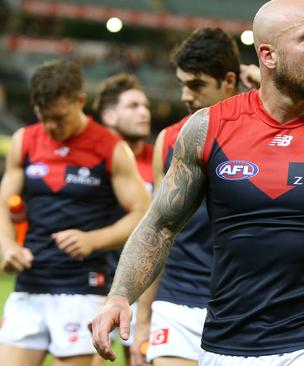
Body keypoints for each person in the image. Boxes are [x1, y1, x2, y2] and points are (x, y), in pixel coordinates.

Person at [91, 1, 304, 366]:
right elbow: (160, 225)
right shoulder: (207, 128)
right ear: (268, 55)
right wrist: (120, 296)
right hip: (223, 339)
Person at [0, 59, 150, 366]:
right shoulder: (25, 140)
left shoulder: (111, 148)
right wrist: (8, 246)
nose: (52, 126)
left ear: (79, 101)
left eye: (59, 117)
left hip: (83, 287)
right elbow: (3, 200)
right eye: (45, 117)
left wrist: (94, 239)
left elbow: (143, 214)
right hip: (30, 283)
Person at [132, 27, 241, 366]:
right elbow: (157, 232)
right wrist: (144, 320)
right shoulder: (168, 140)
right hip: (176, 302)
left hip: (242, 307)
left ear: (228, 80)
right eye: (182, 84)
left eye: (196, 85)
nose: (185, 95)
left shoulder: (267, 138)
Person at [93, 72, 154, 366]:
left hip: (145, 281)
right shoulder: (90, 161)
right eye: (132, 106)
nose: (144, 112)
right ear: (109, 115)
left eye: (145, 105)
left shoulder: (162, 160)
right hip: (93, 281)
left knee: (140, 358)